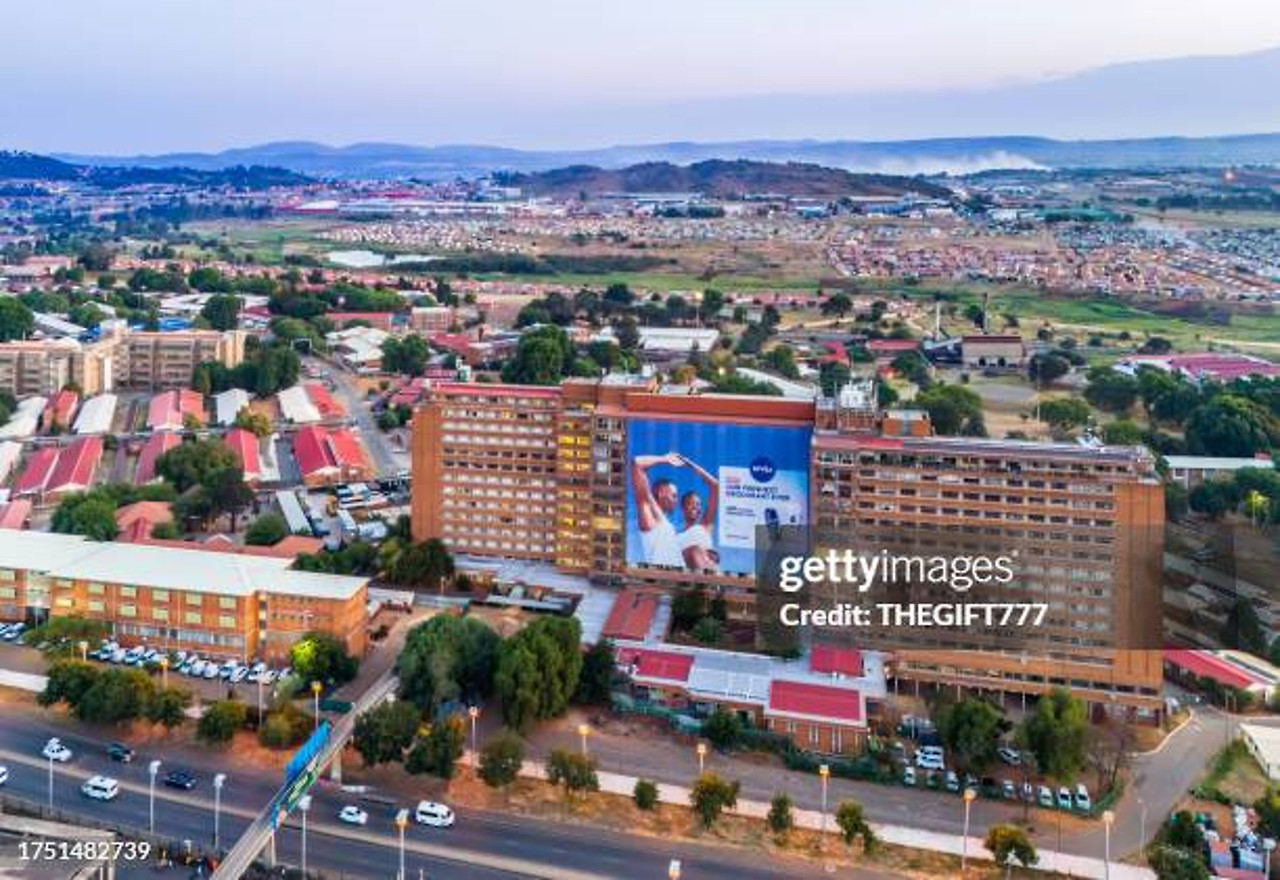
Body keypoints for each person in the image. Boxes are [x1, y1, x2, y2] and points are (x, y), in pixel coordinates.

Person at [631, 452, 686, 567]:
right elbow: (637, 463)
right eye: (674, 495)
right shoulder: (651, 520)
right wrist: (665, 459)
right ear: (661, 493)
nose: (676, 500)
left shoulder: (665, 524)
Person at [675, 457, 720, 572]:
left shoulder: (705, 525)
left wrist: (690, 464)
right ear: (683, 507)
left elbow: (715, 486)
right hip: (685, 576)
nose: (696, 507)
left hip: (706, 574)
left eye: (699, 504)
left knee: (695, 551)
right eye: (691, 503)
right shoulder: (675, 537)